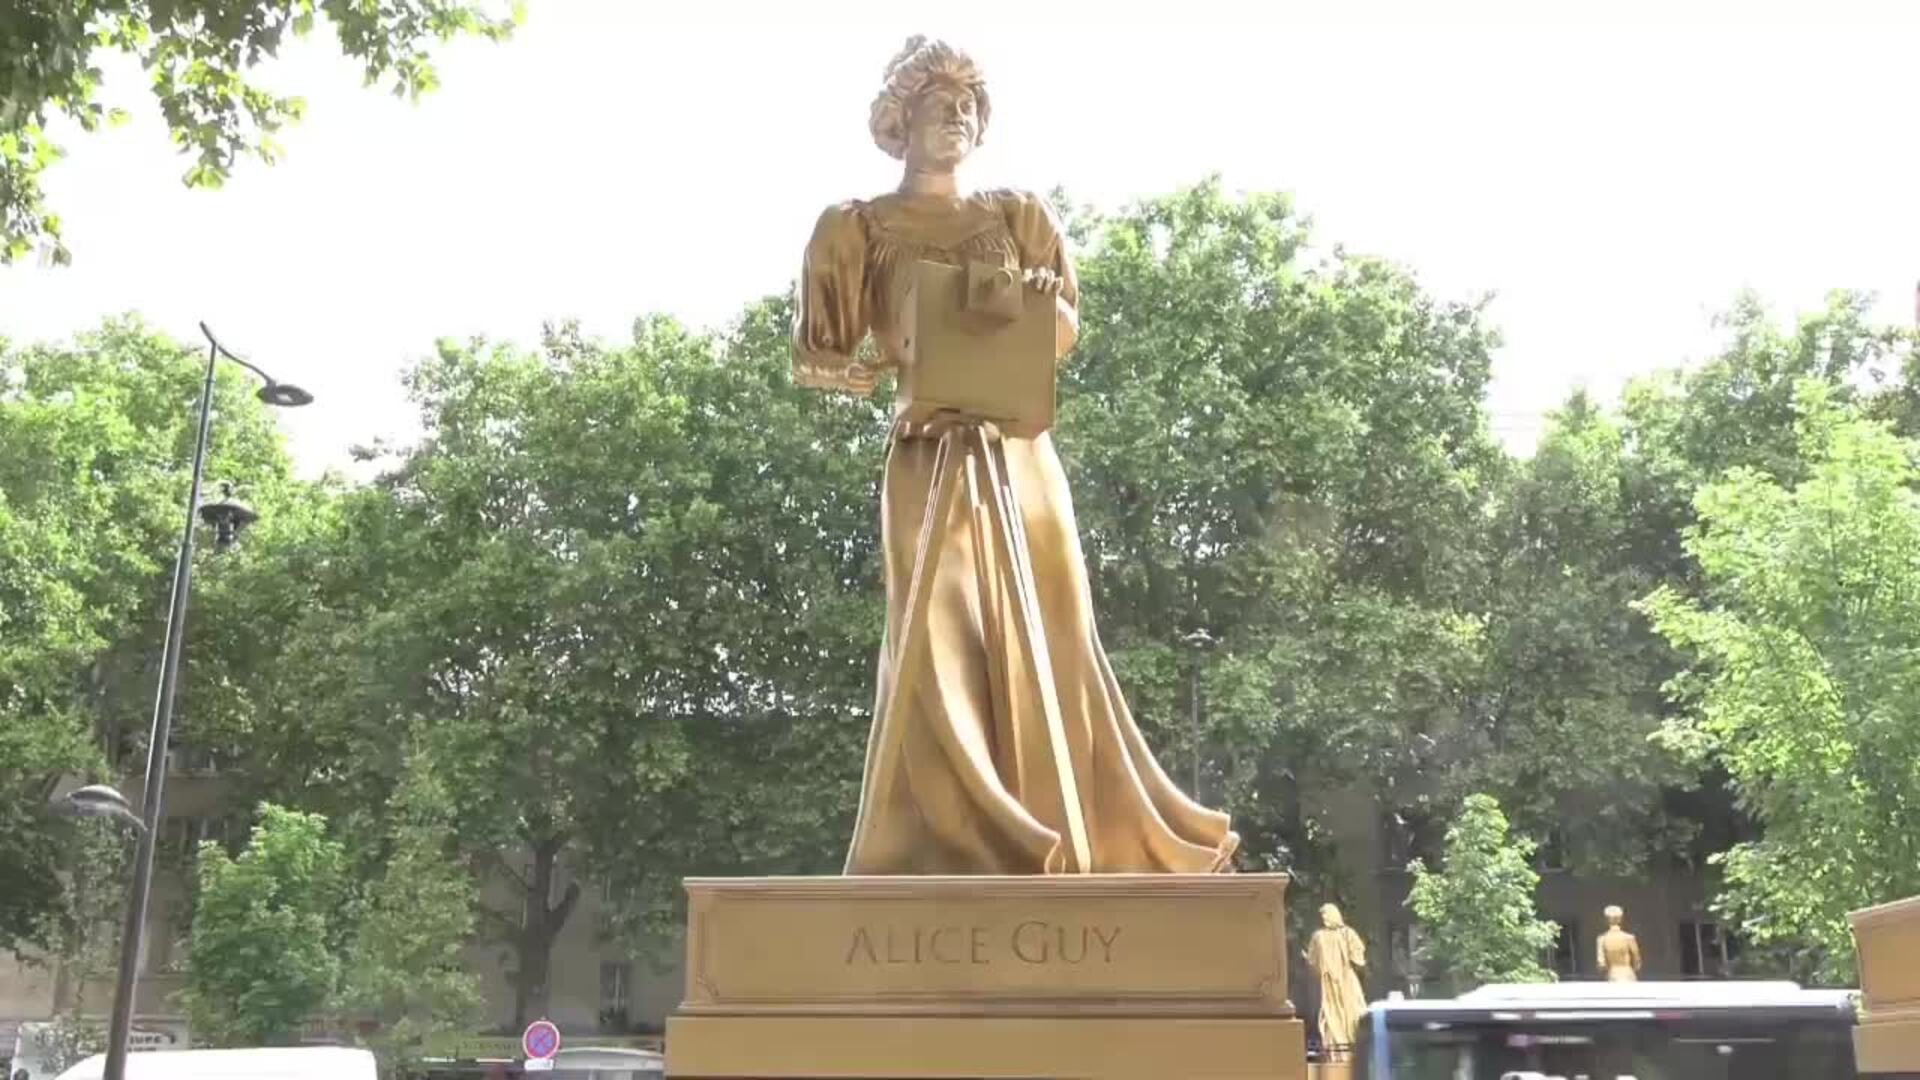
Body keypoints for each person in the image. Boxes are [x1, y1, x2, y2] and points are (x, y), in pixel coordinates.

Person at [793, 36, 1239, 875]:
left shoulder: (1018, 215)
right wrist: (855, 371)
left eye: (968, 106)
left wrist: (1038, 305)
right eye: (938, 105)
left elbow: (1063, 333)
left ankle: (1076, 837)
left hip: (1021, 456)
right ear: (900, 120)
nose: (956, 117)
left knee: (1054, 636)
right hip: (927, 453)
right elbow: (818, 354)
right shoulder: (854, 227)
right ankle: (961, 842)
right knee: (936, 644)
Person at [1305, 903, 1369, 1059]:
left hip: (1344, 982)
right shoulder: (1321, 936)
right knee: (1333, 1017)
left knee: (1351, 1014)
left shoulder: (1345, 934)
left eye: (1325, 914)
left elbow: (1358, 957)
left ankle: (1349, 1052)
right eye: (1322, 915)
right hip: (1333, 984)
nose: (1323, 917)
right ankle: (1339, 1054)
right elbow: (1313, 961)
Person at [1596, 904, 1642, 982]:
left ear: (1606, 920)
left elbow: (1601, 964)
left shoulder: (1602, 939)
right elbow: (1637, 961)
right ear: (1621, 919)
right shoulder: (1629, 938)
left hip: (1613, 975)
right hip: (1628, 974)